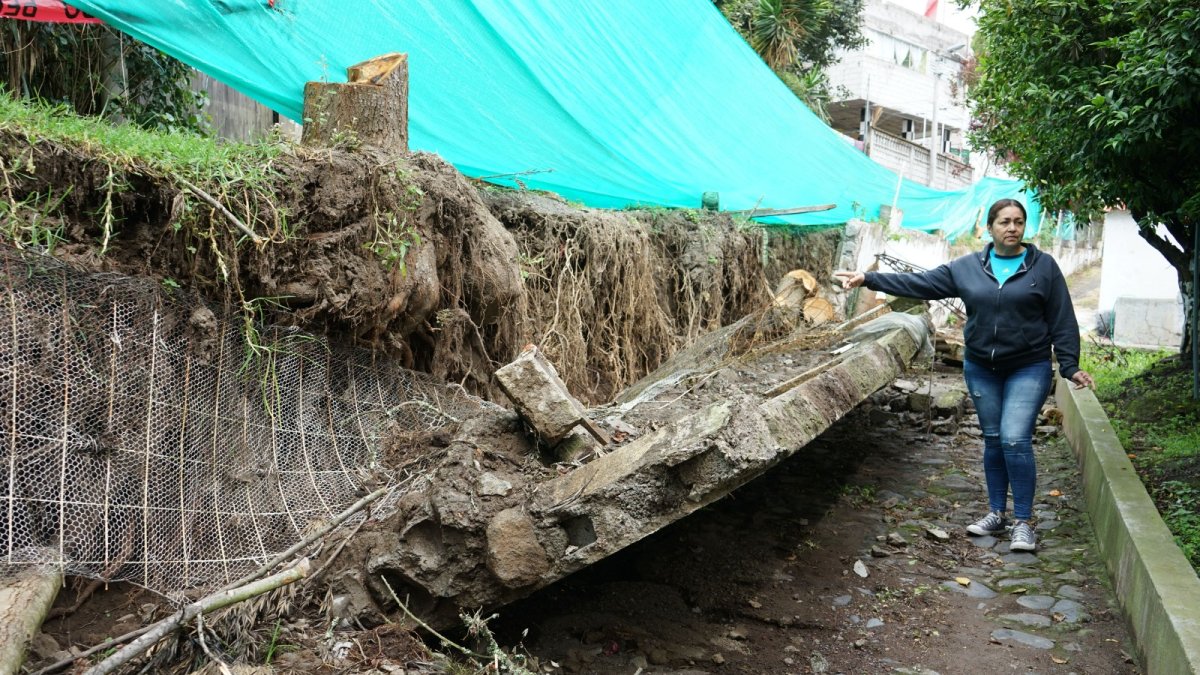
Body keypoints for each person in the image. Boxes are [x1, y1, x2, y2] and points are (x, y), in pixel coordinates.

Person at [834, 198, 1094, 553]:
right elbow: (922, 283)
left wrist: (1070, 365)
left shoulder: (1043, 267)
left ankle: (1023, 522)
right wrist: (869, 278)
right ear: (990, 227)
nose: (1012, 228)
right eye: (1004, 221)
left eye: (1018, 222)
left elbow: (1062, 319)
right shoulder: (968, 267)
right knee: (993, 438)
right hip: (981, 367)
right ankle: (996, 513)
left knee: (1014, 438)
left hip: (1028, 365)